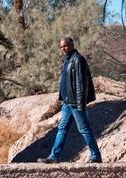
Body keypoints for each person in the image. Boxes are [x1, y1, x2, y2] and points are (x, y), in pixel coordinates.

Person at [37, 36, 102, 164]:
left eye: (65, 46)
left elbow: (80, 83)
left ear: (72, 45)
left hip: (75, 103)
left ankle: (96, 156)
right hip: (67, 103)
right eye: (61, 47)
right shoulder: (67, 60)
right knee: (62, 128)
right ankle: (53, 157)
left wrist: (80, 103)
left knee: (84, 129)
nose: (63, 49)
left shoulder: (78, 60)